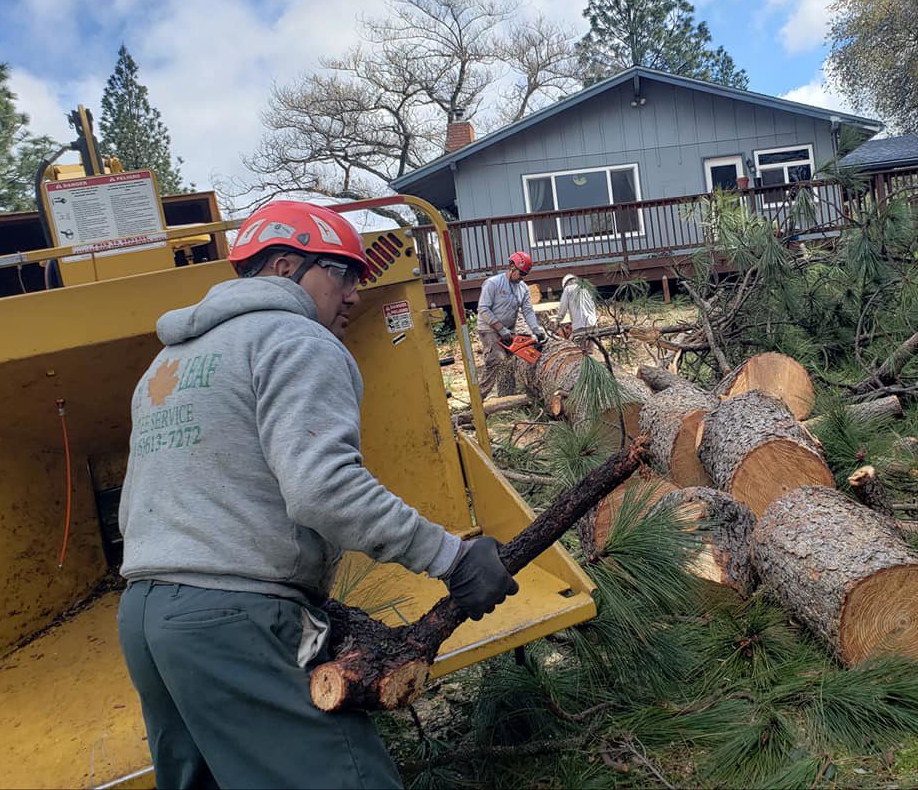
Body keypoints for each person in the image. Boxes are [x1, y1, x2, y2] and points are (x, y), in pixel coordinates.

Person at [116, 200, 519, 790]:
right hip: (233, 618)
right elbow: (322, 489)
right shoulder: (296, 340)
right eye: (342, 272)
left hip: (145, 618)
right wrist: (452, 559)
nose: (356, 293)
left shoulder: (167, 362)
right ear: (284, 266)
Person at [475, 251, 547, 399]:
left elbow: (527, 310)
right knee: (497, 359)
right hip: (489, 328)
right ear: (512, 266)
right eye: (521, 273)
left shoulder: (523, 288)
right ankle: (478, 399)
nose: (522, 277)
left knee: (509, 361)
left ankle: (506, 396)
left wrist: (536, 329)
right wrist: (500, 329)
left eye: (525, 275)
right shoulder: (493, 283)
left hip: (508, 330)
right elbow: (483, 308)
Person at [555, 273, 599, 353]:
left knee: (581, 353)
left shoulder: (568, 289)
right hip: (593, 326)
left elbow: (563, 307)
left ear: (566, 284)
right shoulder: (586, 288)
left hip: (580, 327)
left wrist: (558, 320)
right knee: (591, 352)